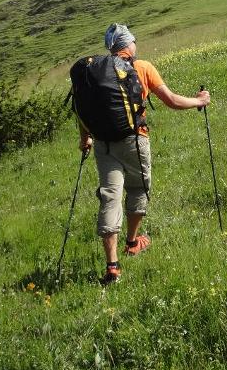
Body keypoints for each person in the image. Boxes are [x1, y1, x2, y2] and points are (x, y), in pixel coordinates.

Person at [78, 24, 210, 285]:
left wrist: (86, 139)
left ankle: (112, 266)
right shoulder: (142, 67)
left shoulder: (95, 73)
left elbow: (82, 109)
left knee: (109, 196)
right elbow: (171, 101)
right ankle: (132, 242)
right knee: (138, 188)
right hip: (133, 141)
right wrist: (200, 101)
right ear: (129, 44)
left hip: (103, 144)